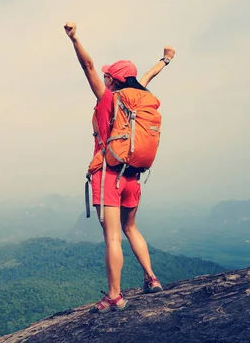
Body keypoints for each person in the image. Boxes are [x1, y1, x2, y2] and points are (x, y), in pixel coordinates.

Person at [63, 21, 176, 313]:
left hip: (109, 175)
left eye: (107, 75)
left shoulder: (108, 99)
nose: (103, 77)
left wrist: (75, 39)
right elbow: (146, 76)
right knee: (130, 227)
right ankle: (151, 278)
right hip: (133, 177)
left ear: (112, 80)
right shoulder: (137, 100)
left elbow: (87, 65)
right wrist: (165, 60)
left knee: (113, 236)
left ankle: (114, 295)